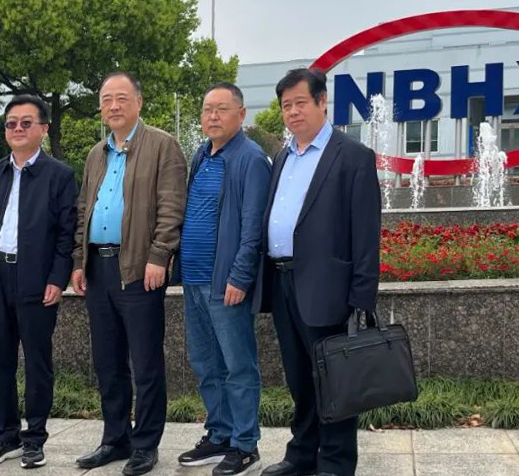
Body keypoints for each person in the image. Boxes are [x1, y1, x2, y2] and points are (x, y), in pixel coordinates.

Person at [254, 69, 381, 476]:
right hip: (283, 282)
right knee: (299, 378)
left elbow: (366, 234)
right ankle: (302, 453)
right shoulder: (283, 156)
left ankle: (336, 462)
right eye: (285, 106)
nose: (292, 112)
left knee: (333, 379)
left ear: (322, 101)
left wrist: (361, 298)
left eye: (300, 103)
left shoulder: (352, 156)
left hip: (329, 288)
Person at [71, 72, 187, 476]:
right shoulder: (96, 154)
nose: (114, 106)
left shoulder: (162, 145)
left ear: (139, 102)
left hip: (138, 268)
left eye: (122, 98)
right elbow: (83, 211)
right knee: (107, 362)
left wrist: (160, 254)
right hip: (99, 269)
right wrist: (78, 262)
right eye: (107, 99)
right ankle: (115, 438)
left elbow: (171, 206)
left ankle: (145, 444)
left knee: (146, 362)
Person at [0, 95, 78, 470]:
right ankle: (5, 436)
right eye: (11, 123)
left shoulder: (59, 175)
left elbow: (66, 233)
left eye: (26, 123)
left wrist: (57, 278)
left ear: (43, 129)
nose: (17, 129)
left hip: (35, 278)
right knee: (0, 360)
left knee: (37, 361)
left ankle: (35, 438)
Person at [175, 83, 270, 475]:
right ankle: (220, 434)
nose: (212, 116)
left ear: (241, 114)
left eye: (222, 109)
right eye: (207, 109)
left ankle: (245, 445)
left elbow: (253, 226)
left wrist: (240, 276)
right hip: (194, 281)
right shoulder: (202, 154)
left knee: (238, 366)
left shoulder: (251, 159)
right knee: (205, 363)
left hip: (225, 283)